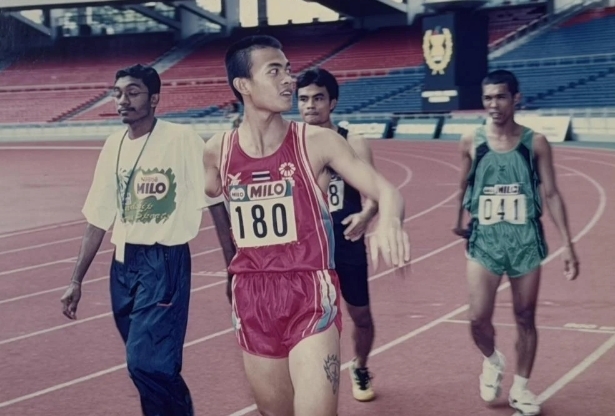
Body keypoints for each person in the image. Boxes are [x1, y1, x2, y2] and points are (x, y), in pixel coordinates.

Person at [203, 35, 411, 416]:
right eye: (274, 71)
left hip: (309, 291)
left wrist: (390, 220)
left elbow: (386, 190)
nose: (289, 79)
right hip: (252, 296)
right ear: (243, 85)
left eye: (288, 69)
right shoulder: (219, 150)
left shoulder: (317, 142)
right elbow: (208, 195)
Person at [59, 64, 208, 416]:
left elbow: (213, 197)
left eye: (133, 92)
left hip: (164, 262)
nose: (122, 100)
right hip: (123, 265)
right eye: (117, 93)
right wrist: (76, 280)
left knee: (148, 362)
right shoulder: (113, 145)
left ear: (154, 99)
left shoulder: (181, 139)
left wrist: (234, 263)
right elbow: (98, 217)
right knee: (144, 363)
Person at [453, 69, 579, 416]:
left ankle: (521, 389)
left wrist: (568, 245)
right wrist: (458, 220)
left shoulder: (535, 143)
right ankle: (493, 361)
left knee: (525, 316)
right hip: (485, 241)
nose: (494, 104)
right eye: (488, 98)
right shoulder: (470, 140)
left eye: (501, 97)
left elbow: (551, 193)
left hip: (525, 241)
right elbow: (464, 184)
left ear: (515, 98)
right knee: (477, 318)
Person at [296, 67, 378, 402]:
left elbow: (375, 193)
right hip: (307, 249)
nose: (310, 106)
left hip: (346, 243)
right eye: (303, 99)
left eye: (318, 98)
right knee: (308, 321)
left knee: (361, 316)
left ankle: (360, 365)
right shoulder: (291, 144)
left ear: (332, 103)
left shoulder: (352, 141)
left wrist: (366, 214)